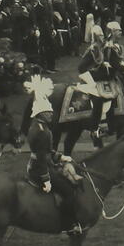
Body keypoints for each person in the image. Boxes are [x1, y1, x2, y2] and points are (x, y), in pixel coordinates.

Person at [25, 85, 86, 235]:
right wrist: (46, 179)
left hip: (40, 164)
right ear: (40, 113)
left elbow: (45, 151)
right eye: (48, 112)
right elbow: (41, 158)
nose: (52, 114)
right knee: (69, 191)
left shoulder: (40, 127)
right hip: (40, 169)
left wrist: (60, 156)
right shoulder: (42, 132)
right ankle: (68, 224)